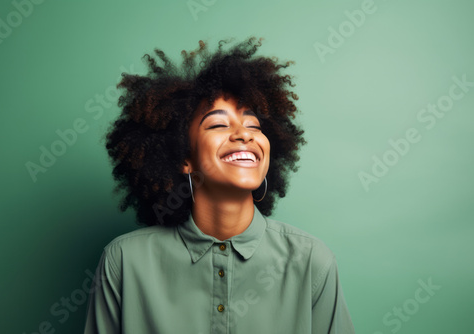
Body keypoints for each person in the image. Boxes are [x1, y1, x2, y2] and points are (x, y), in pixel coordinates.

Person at [83, 37, 355, 334]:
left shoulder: (312, 261)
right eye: (218, 124)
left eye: (254, 126)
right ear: (183, 157)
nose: (244, 135)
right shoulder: (124, 261)